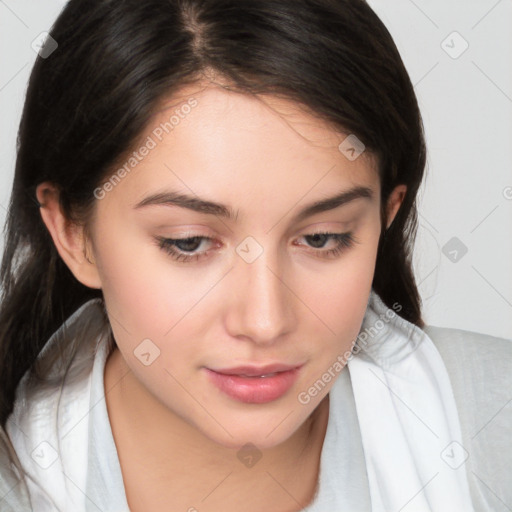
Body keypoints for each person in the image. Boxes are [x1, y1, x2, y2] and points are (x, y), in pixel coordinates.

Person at [0, 0, 510, 511]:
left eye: (321, 237)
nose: (265, 322)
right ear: (72, 232)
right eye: (189, 242)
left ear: (384, 216)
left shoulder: (493, 424)